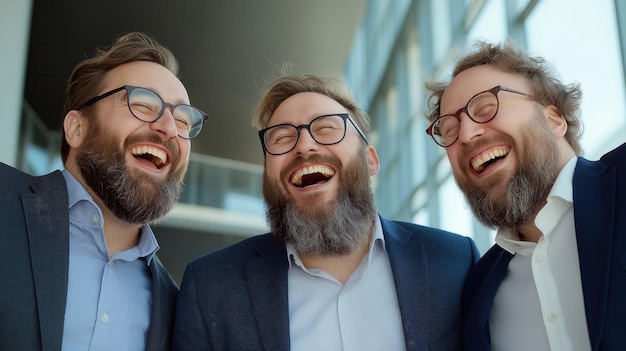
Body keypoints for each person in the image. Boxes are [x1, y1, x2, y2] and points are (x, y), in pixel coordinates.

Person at [172, 73, 479, 350]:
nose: (304, 146)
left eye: (327, 128)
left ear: (370, 160)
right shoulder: (210, 286)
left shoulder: (454, 261)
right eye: (282, 137)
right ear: (267, 172)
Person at [0, 32, 208, 351]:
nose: (168, 128)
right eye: (142, 104)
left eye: (183, 120)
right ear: (76, 128)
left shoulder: (175, 304)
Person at [425, 39, 626, 350]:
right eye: (449, 129)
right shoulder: (477, 291)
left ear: (554, 119)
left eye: (485, 107)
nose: (465, 135)